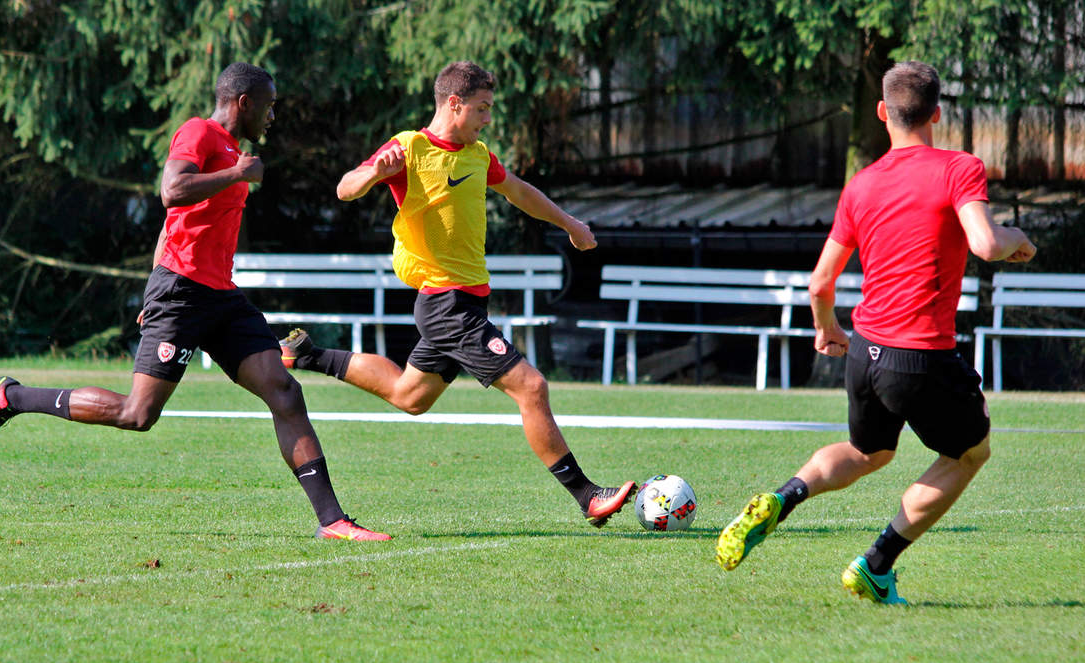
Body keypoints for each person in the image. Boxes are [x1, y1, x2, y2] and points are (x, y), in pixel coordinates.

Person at [0, 63, 389, 542]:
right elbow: (171, 192)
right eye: (269, 105)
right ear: (243, 103)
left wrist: (159, 272)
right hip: (183, 293)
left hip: (221, 297)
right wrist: (235, 176)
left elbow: (174, 226)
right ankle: (13, 396)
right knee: (138, 415)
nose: (273, 115)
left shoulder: (235, 150)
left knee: (285, 392)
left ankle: (332, 521)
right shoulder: (200, 133)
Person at [714, 61, 1036, 603]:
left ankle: (783, 496)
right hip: (922, 356)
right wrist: (1017, 236)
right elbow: (984, 244)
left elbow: (820, 283)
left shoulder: (861, 185)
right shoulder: (959, 167)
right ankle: (877, 564)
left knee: (869, 452)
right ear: (937, 114)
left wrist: (828, 330)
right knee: (969, 454)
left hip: (867, 352)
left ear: (883, 113)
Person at [280, 60, 636, 527]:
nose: (489, 118)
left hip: (464, 302)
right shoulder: (410, 148)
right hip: (446, 304)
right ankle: (587, 496)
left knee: (411, 396)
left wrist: (569, 223)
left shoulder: (478, 154)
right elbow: (346, 188)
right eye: (483, 108)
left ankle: (307, 356)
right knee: (532, 386)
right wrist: (371, 175)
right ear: (454, 103)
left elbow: (519, 192)